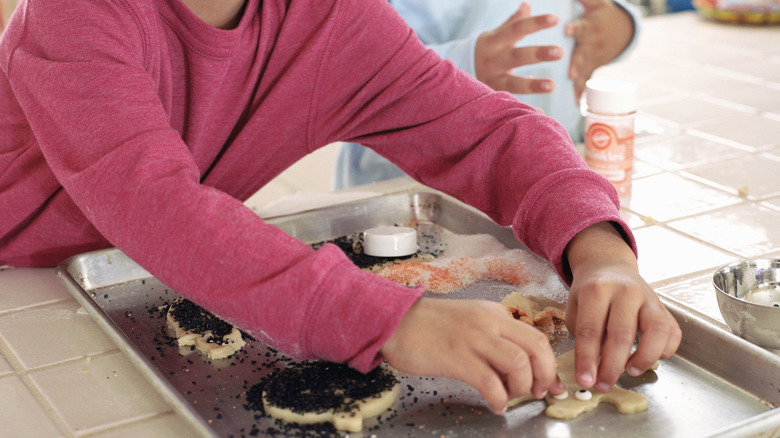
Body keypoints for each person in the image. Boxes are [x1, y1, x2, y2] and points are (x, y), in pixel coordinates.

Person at [0, 0, 680, 415]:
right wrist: (391, 323)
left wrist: (598, 249)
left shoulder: (328, 17)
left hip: (111, 278)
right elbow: (156, 204)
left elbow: (483, 131)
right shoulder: (75, 9)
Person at [334, 0, 641, 189]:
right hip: (410, 183)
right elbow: (345, 63)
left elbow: (591, 13)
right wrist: (463, 63)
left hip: (545, 168)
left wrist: (621, 24)